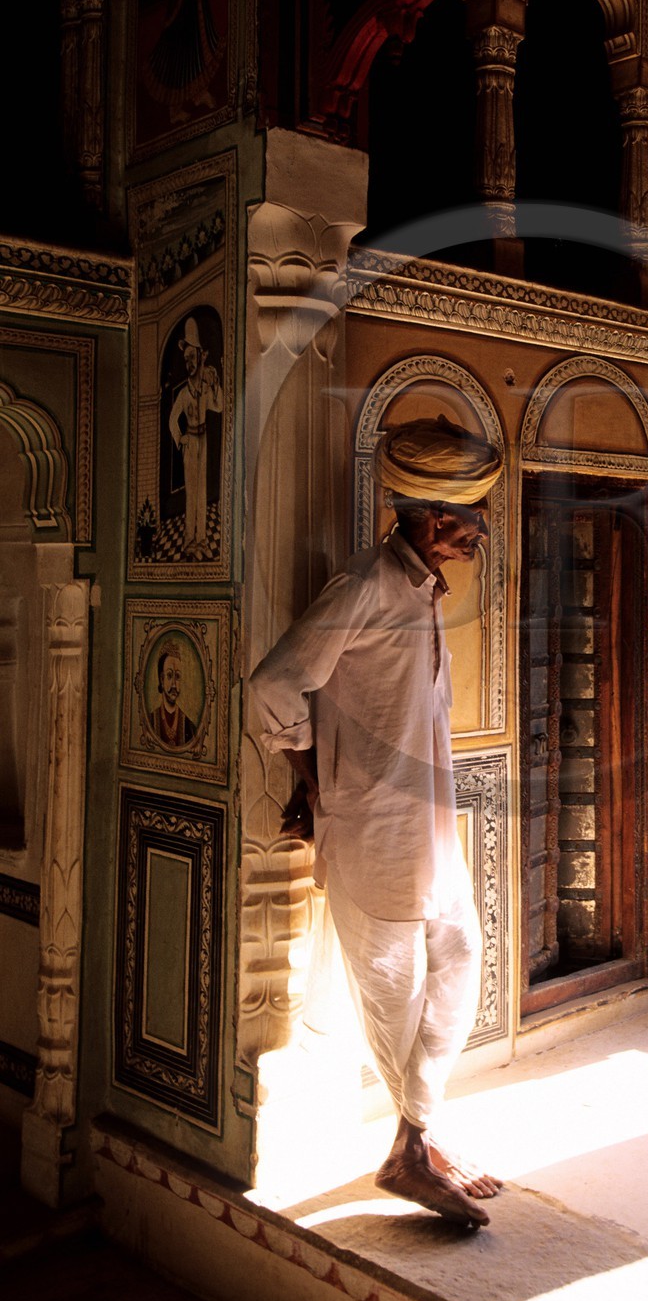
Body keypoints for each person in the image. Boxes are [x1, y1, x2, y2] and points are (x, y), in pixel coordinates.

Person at [250, 415, 503, 1228]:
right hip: (374, 828)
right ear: (433, 520)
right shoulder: (364, 584)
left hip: (424, 826)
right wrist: (313, 782)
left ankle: (416, 1141)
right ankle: (411, 1150)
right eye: (471, 519)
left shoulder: (420, 590)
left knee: (460, 963)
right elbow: (273, 687)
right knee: (395, 989)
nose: (478, 533)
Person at [168, 314, 223, 559]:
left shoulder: (204, 387)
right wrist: (180, 438)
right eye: (186, 358)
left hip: (204, 439)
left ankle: (201, 540)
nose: (189, 362)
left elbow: (219, 406)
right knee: (192, 493)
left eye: (192, 356)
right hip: (191, 442)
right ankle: (189, 540)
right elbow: (172, 419)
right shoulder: (184, 393)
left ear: (201, 356)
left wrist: (216, 384)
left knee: (201, 493)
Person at [149, 640, 197, 747]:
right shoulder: (150, 720)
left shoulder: (189, 726)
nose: (174, 685)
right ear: (161, 680)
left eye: (178, 676)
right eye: (169, 676)